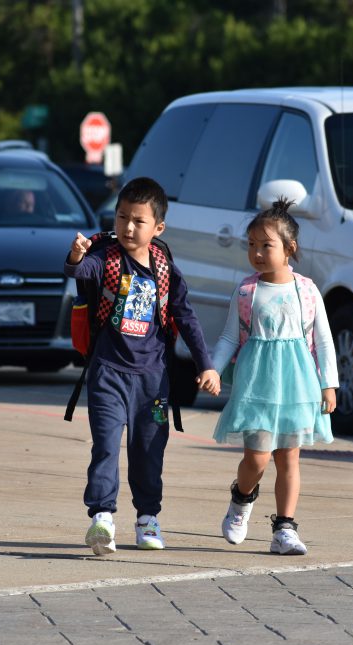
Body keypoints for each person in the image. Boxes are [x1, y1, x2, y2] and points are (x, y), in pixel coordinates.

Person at [65, 176, 221, 556]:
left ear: (158, 227)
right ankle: (102, 518)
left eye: (138, 220)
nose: (128, 227)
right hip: (108, 372)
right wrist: (75, 256)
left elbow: (187, 318)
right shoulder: (104, 258)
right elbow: (79, 273)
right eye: (122, 218)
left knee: (149, 451)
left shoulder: (165, 269)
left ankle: (147, 518)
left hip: (153, 380)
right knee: (105, 446)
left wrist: (206, 365)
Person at [211, 198, 338, 555]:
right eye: (251, 245)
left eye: (266, 245)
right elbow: (228, 337)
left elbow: (323, 340)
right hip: (258, 385)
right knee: (258, 458)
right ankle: (241, 498)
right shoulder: (247, 290)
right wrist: (213, 369)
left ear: (289, 249)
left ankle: (284, 528)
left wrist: (329, 384)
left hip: (298, 385)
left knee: (289, 458)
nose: (257, 253)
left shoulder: (308, 290)